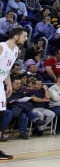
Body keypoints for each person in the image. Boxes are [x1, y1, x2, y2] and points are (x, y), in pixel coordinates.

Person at [0, 27, 27, 159]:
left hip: (0, 84)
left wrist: (9, 83)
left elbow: (6, 69)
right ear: (16, 36)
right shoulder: (2, 47)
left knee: (1, 114)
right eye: (24, 36)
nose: (26, 38)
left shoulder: (16, 51)